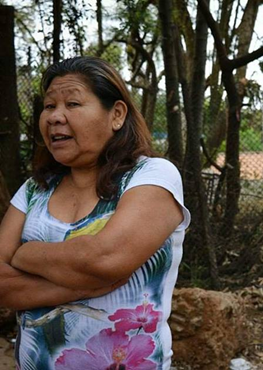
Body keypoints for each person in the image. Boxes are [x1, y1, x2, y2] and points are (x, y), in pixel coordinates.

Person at [0, 56, 190, 369]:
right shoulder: (35, 189)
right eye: (49, 106)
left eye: (72, 103)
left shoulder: (152, 176)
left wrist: (26, 254)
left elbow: (103, 259)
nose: (55, 117)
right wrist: (82, 285)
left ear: (116, 114)